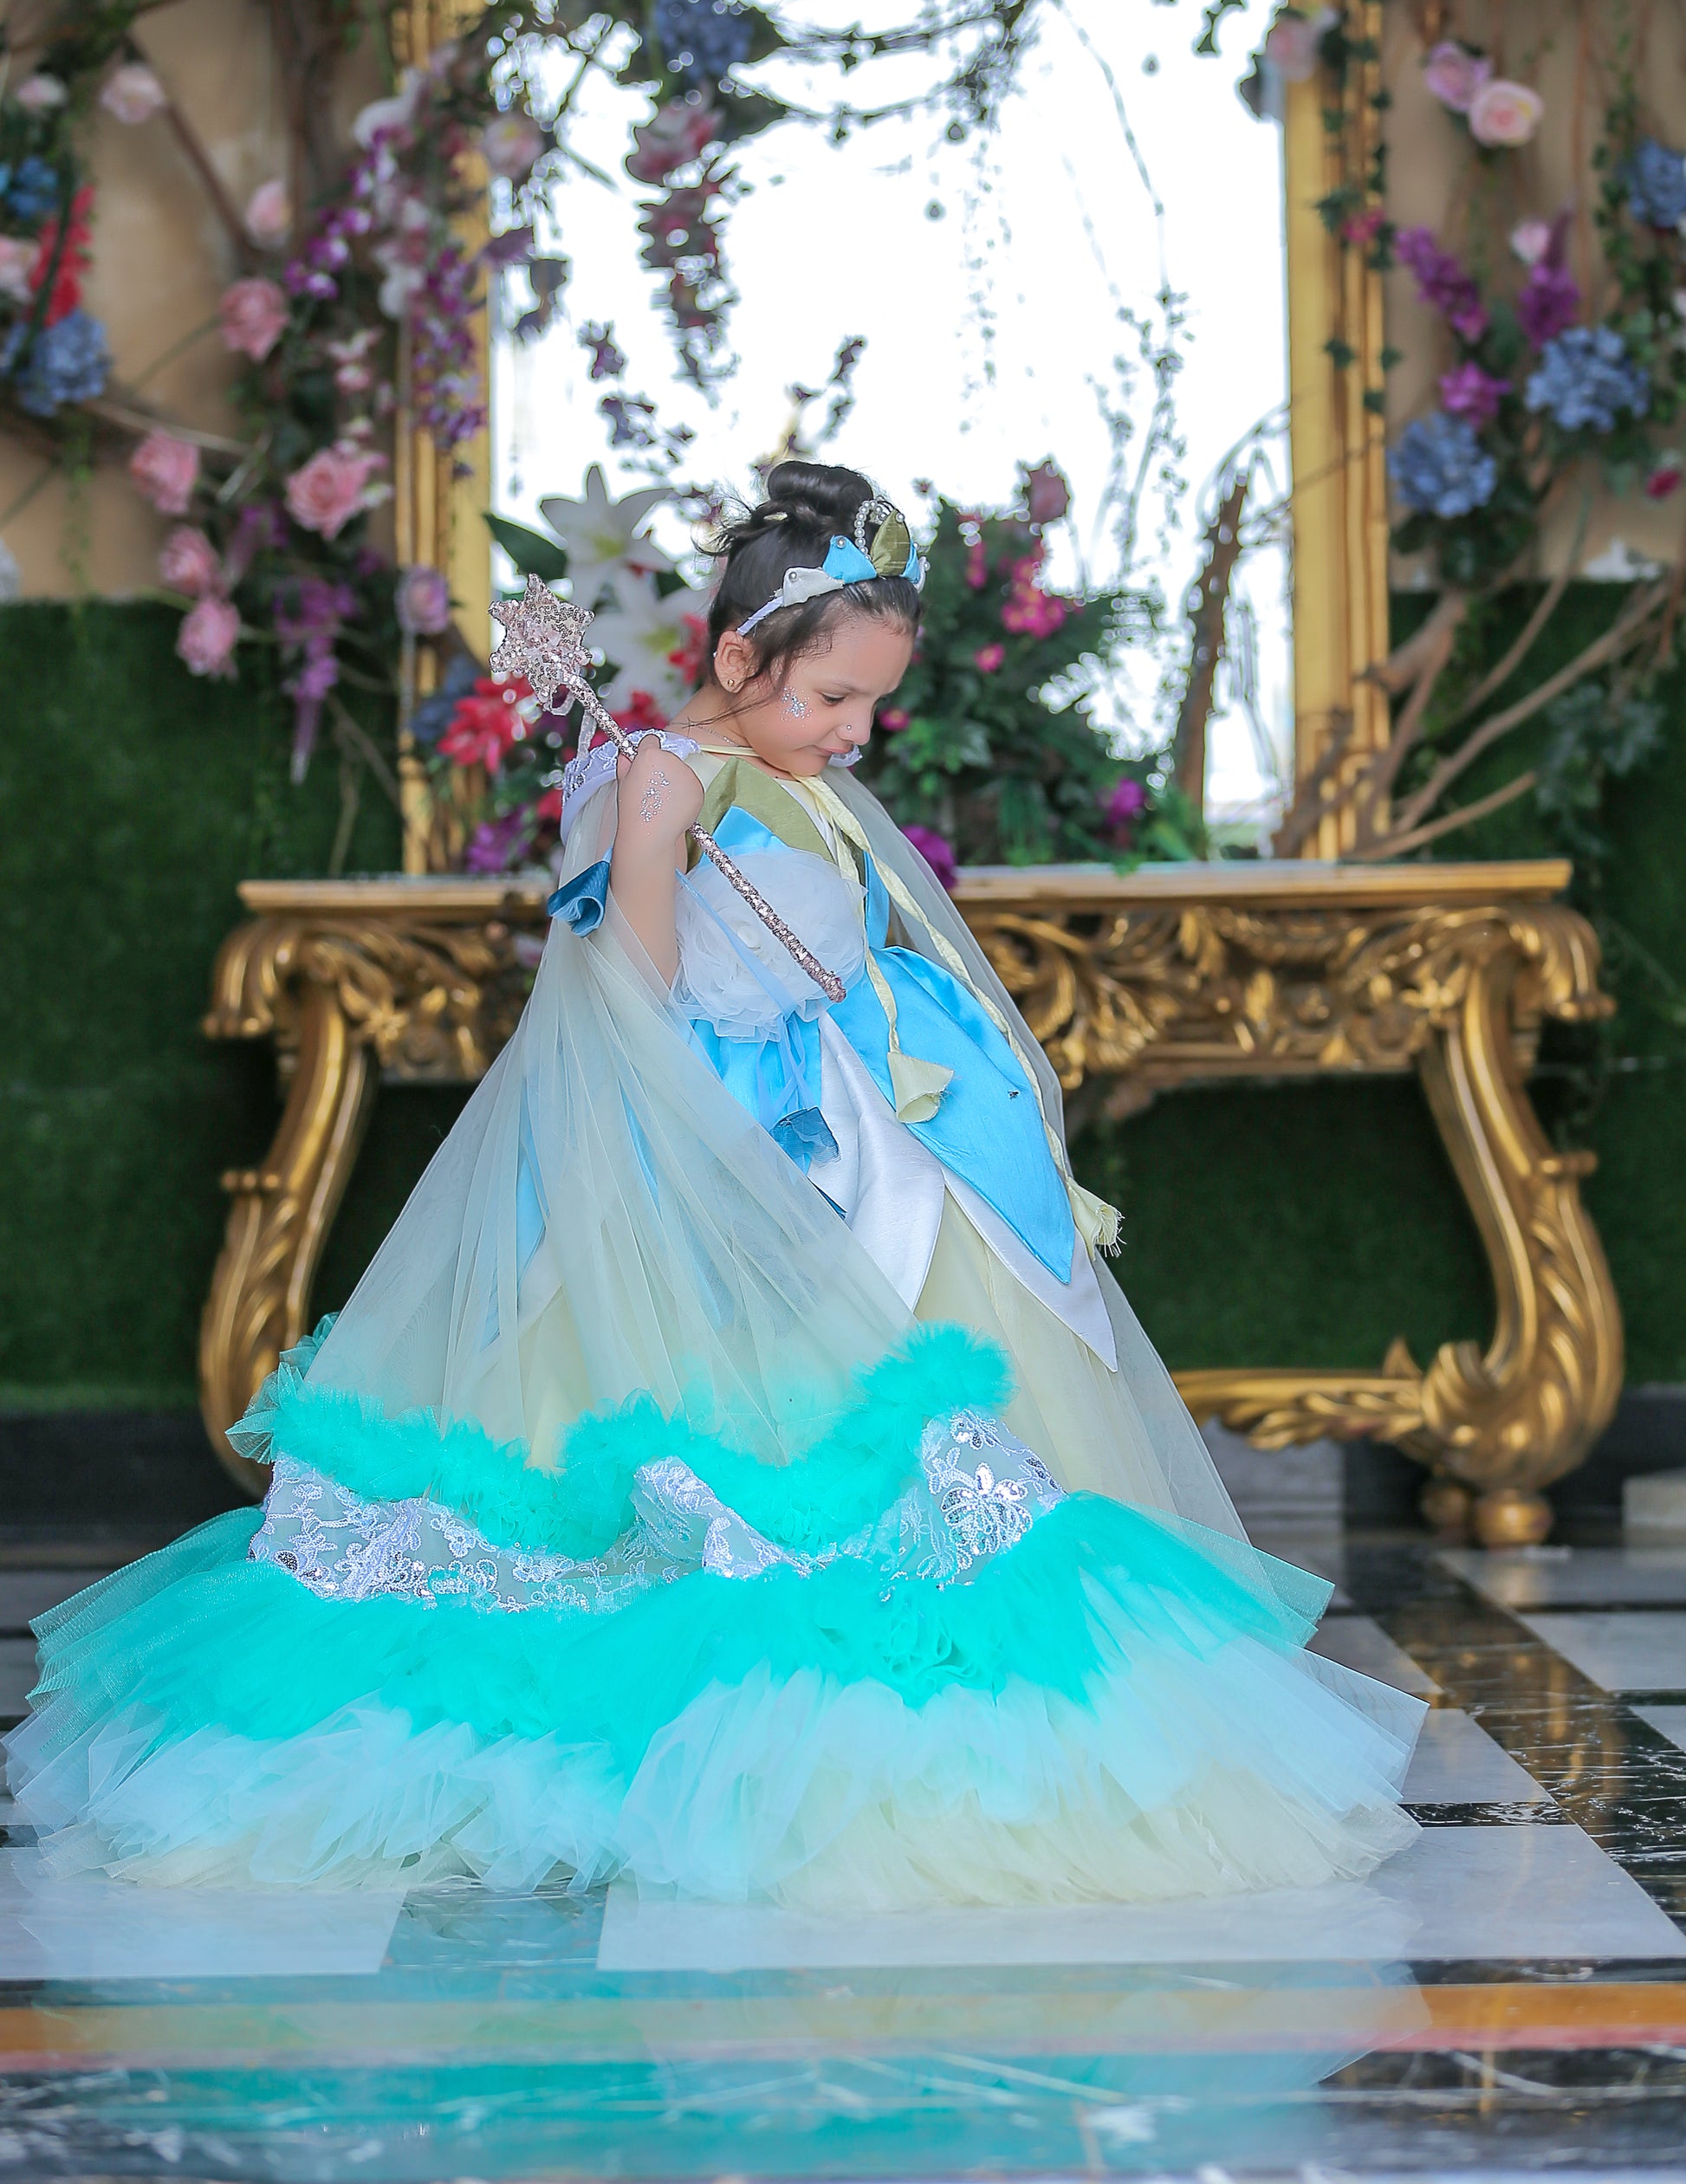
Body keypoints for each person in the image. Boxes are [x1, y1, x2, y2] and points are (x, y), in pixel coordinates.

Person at [6, 461, 1423, 1906]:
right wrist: (653, 839)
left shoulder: (808, 787)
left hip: (876, 1133)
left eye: (873, 704)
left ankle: (992, 1680)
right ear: (739, 659)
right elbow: (630, 983)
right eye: (833, 698)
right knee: (729, 1430)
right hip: (727, 1141)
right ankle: (709, 1711)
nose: (855, 732)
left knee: (970, 1411)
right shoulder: (659, 778)